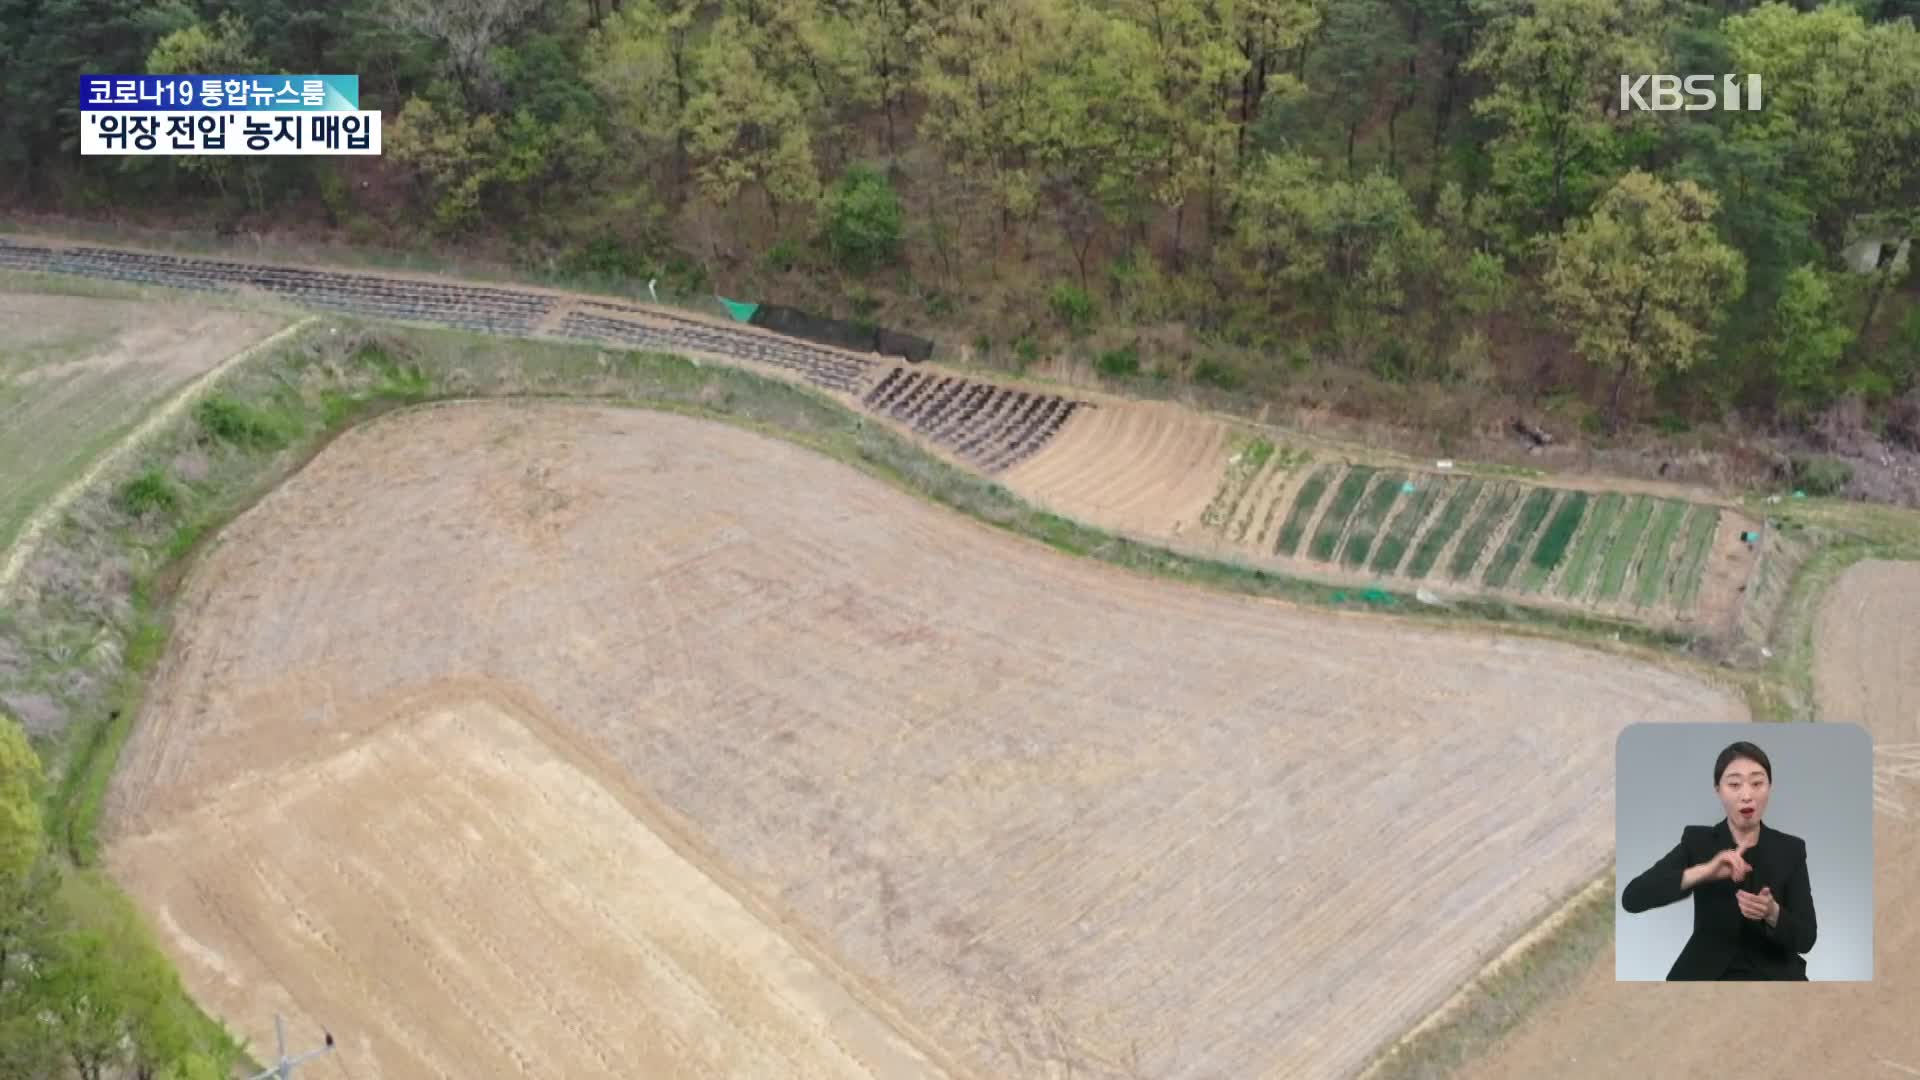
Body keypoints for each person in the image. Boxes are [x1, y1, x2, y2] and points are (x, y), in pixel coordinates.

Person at [1621, 740, 1818, 980]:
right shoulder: (1698, 842)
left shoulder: (1791, 849)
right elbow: (1632, 898)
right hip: (1707, 977)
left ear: (1770, 787)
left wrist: (1772, 912)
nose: (1747, 795)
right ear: (1718, 789)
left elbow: (1807, 938)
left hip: (1776, 978)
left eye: (1757, 783)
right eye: (1734, 784)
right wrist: (1705, 871)